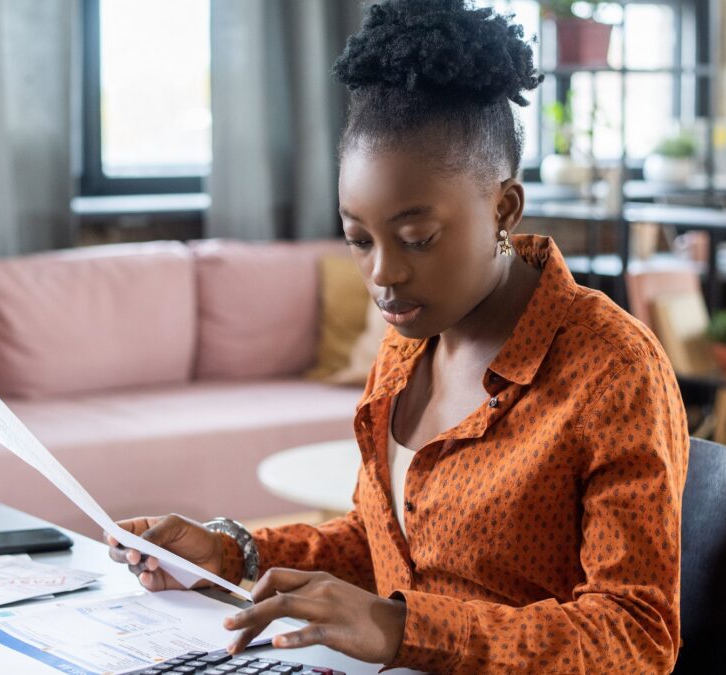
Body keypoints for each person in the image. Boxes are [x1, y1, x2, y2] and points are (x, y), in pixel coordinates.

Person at [108, 1, 689, 672]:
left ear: (503, 207)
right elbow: (381, 545)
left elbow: (636, 637)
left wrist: (401, 627)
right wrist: (232, 552)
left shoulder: (612, 369)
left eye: (417, 238)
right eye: (359, 238)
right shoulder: (410, 341)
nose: (382, 273)